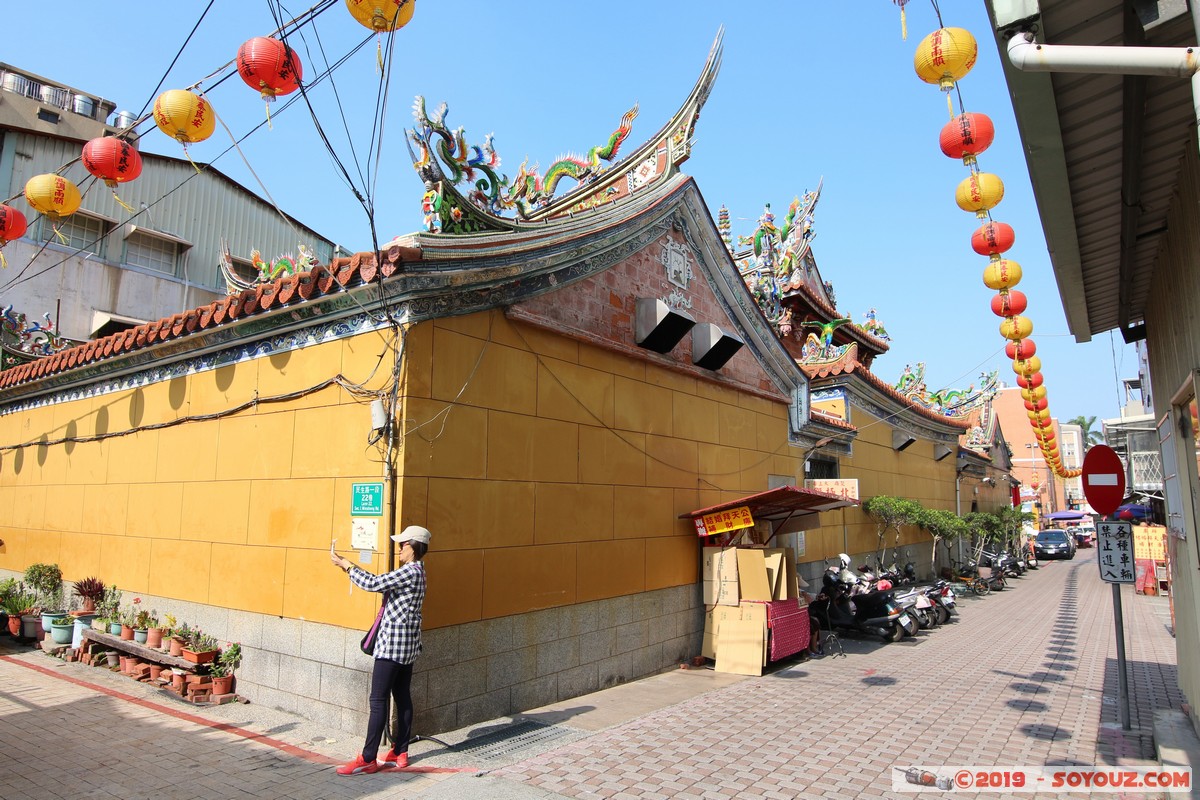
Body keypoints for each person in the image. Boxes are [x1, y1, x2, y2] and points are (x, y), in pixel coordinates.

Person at [330, 524, 429, 775]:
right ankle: (401, 751)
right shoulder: (419, 572)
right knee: (402, 695)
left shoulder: (410, 571)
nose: (399, 549)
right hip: (407, 647)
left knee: (378, 700)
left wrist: (347, 565)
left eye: (402, 544)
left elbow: (374, 583)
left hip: (392, 647)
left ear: (413, 547)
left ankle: (368, 757)